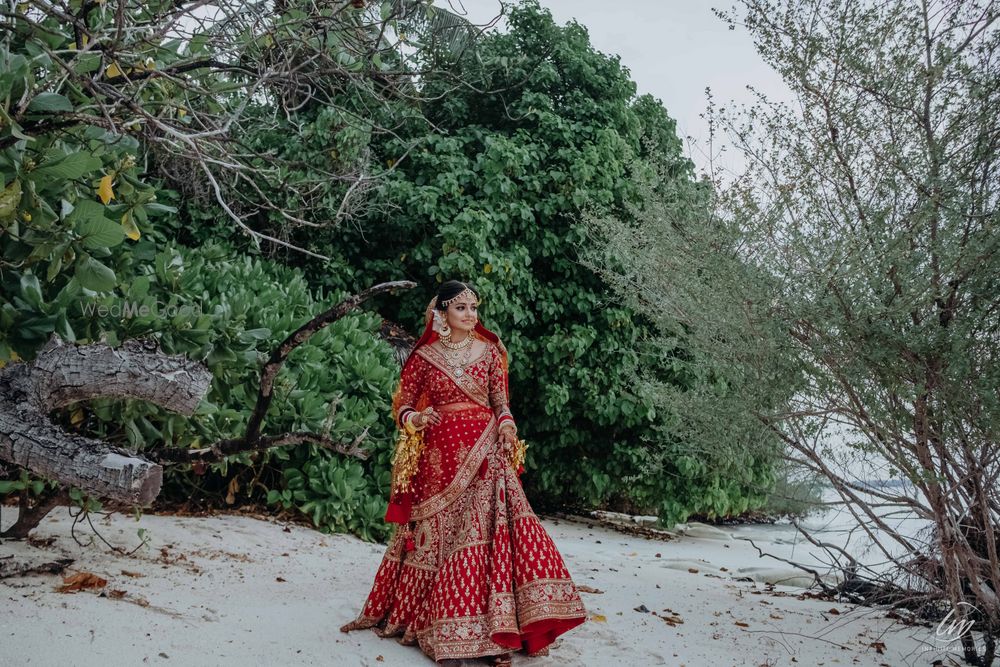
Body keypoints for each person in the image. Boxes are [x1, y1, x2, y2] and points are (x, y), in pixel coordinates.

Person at [340, 280, 587, 665]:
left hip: (486, 452)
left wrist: (506, 426)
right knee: (442, 539)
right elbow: (401, 404)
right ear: (442, 314)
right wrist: (417, 417)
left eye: (474, 307)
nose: (471, 315)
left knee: (484, 536)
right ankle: (445, 625)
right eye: (461, 308)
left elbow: (500, 403)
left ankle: (495, 632)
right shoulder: (424, 357)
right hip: (438, 461)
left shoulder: (490, 352)